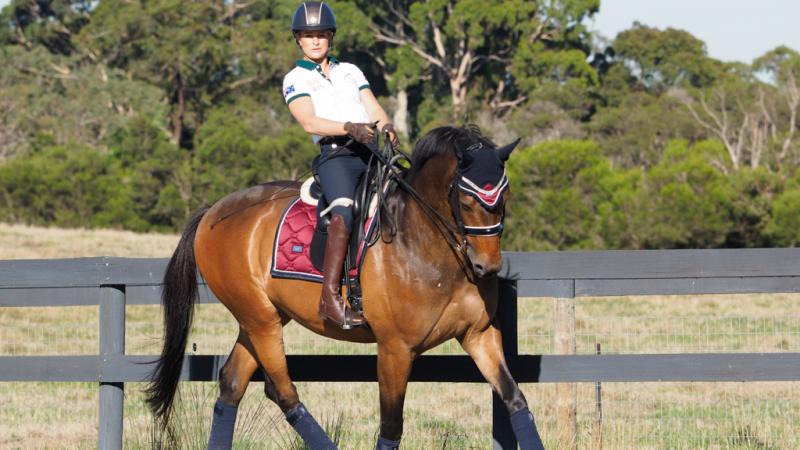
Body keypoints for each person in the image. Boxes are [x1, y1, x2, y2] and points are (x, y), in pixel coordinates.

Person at [283, 1, 400, 329]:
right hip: (336, 156)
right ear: (299, 40)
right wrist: (349, 127)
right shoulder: (294, 79)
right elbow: (308, 122)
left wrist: (386, 125)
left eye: (321, 34)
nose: (316, 41)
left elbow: (372, 107)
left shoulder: (351, 71)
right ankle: (330, 299)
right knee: (344, 210)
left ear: (331, 37)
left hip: (370, 152)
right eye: (309, 35)